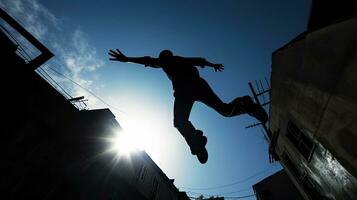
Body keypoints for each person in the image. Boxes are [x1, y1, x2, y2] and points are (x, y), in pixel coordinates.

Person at [108, 49, 267, 163]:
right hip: (199, 86)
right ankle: (243, 103)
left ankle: (195, 141)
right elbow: (199, 60)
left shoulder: (165, 62)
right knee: (225, 110)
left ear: (165, 58)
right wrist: (213, 65)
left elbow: (147, 60)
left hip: (184, 91)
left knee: (179, 122)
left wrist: (127, 58)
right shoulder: (181, 59)